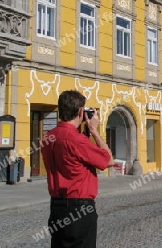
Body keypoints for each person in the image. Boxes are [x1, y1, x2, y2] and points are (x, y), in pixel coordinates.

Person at [41, 90, 114, 248]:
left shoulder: (48, 137)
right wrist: (94, 131)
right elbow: (108, 160)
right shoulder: (77, 140)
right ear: (81, 111)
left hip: (56, 209)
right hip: (79, 209)